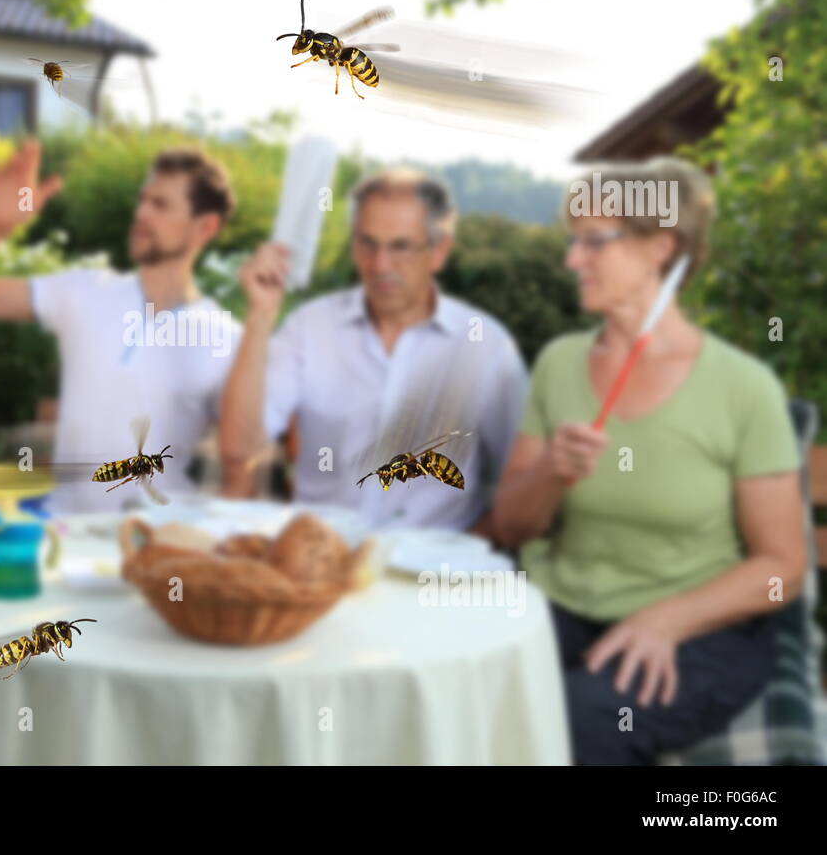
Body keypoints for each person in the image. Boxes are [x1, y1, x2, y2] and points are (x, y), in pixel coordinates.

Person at [491, 158, 807, 765]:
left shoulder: (743, 388)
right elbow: (511, 526)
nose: (571, 260)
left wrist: (669, 620)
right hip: (562, 605)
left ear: (661, 247)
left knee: (580, 723)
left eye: (593, 242)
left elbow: (783, 567)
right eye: (571, 241)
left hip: (702, 630)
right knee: (463, 686)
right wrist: (551, 473)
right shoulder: (560, 364)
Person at [0, 142, 243, 512]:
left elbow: (243, 460)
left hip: (157, 541)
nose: (141, 212)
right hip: (65, 530)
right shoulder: (85, 291)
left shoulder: (229, 339)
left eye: (160, 205)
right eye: (142, 200)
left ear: (205, 227)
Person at [219, 168, 527, 532]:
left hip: (428, 576)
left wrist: (461, 556)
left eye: (400, 247)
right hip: (320, 564)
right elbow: (239, 447)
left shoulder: (486, 348)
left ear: (439, 251)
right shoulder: (310, 328)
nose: (380, 265)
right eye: (368, 244)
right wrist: (260, 315)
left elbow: (520, 482)